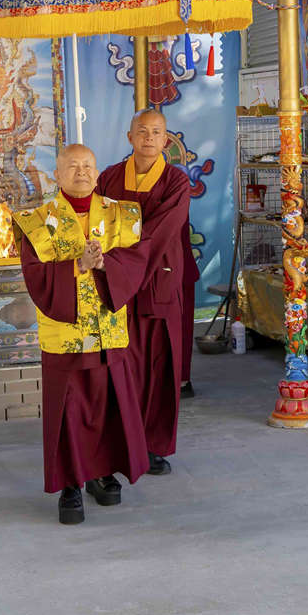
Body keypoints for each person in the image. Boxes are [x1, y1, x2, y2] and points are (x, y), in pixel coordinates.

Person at [15, 144, 151, 525]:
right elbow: (35, 275)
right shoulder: (37, 221)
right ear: (57, 175)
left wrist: (106, 264)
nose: (81, 172)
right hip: (66, 335)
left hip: (108, 330)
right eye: (72, 166)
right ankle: (70, 485)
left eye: (88, 165)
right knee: (69, 412)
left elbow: (137, 261)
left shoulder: (121, 214)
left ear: (97, 172)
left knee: (108, 405)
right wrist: (77, 265)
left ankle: (102, 473)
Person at [98, 108, 198, 476]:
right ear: (130, 137)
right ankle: (119, 441)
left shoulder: (176, 181)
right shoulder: (109, 176)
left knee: (159, 366)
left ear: (166, 139)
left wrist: (120, 263)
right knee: (121, 364)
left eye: (157, 132)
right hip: (115, 283)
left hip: (157, 279)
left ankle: (153, 445)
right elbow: (96, 222)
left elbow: (161, 231)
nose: (149, 138)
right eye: (142, 131)